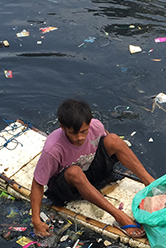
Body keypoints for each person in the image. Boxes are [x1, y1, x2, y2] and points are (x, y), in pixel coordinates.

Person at [30, 99, 154, 239]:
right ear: (63, 128)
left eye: (84, 131)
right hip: (67, 187)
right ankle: (119, 216)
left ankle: (151, 182)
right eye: (73, 133)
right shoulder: (52, 150)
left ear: (89, 124)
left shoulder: (96, 126)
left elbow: (107, 145)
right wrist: (36, 220)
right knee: (75, 172)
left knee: (113, 139)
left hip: (90, 171)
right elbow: (38, 183)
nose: (80, 138)